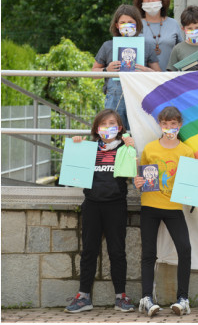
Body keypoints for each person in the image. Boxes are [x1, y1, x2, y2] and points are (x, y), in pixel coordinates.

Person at [134, 106, 198, 317]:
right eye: (165, 124)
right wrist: (137, 181)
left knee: (184, 249)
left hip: (174, 208)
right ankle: (146, 298)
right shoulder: (149, 149)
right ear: (160, 125)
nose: (169, 128)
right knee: (149, 253)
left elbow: (193, 182)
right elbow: (139, 179)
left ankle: (183, 299)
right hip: (149, 206)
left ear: (179, 125)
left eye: (173, 124)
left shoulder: (186, 151)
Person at [64, 109, 136, 314]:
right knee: (88, 251)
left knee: (117, 251)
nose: (107, 128)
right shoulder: (88, 148)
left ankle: (120, 297)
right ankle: (84, 296)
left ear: (120, 127)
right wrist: (76, 145)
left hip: (116, 205)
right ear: (96, 129)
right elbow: (73, 169)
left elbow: (139, 173)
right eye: (103, 124)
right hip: (92, 205)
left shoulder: (126, 148)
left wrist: (133, 148)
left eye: (112, 123)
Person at [93, 5, 160, 131]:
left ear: (137, 24)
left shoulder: (146, 46)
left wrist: (147, 71)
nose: (126, 25)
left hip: (140, 97)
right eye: (122, 22)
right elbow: (93, 73)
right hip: (114, 99)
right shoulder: (107, 46)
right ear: (117, 25)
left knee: (138, 134)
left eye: (130, 22)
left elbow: (159, 74)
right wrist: (106, 70)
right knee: (114, 134)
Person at [134, 0, 183, 71]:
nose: (151, 1)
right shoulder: (136, 25)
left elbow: (182, 52)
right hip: (143, 80)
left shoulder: (173, 24)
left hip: (170, 79)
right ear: (141, 1)